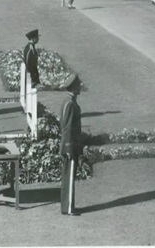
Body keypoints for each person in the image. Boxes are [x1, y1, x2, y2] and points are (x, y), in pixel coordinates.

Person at [59, 73, 82, 216]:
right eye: (78, 85)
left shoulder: (68, 102)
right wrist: (68, 146)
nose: (80, 87)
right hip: (70, 145)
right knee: (69, 177)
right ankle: (68, 208)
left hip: (71, 144)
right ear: (73, 88)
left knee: (69, 176)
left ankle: (68, 207)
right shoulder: (70, 104)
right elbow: (66, 127)